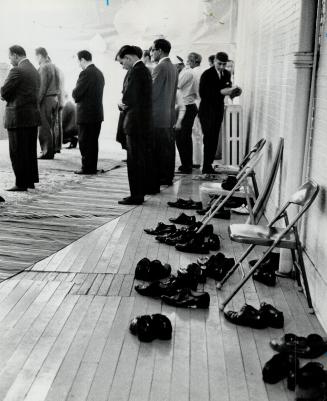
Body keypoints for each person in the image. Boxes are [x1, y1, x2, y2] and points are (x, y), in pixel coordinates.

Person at [116, 45, 152, 205]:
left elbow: (129, 97)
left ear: (129, 58)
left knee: (135, 160)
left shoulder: (137, 71)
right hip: (141, 122)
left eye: (122, 62)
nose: (122, 66)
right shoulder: (142, 70)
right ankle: (138, 193)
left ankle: (136, 195)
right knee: (138, 159)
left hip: (135, 123)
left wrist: (120, 103)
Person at [0, 45, 41, 191]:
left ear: (16, 55)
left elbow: (4, 92)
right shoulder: (34, 70)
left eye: (10, 57)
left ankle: (20, 183)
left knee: (17, 151)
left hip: (18, 117)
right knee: (29, 151)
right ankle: (30, 181)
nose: (10, 60)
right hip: (32, 117)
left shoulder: (16, 70)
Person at [150, 38, 178, 187]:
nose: (151, 52)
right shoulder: (173, 67)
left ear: (159, 51)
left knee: (158, 149)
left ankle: (161, 177)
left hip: (157, 115)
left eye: (153, 49)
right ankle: (167, 176)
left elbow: (153, 93)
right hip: (168, 114)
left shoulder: (160, 67)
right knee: (167, 148)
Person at [199, 51, 232, 174]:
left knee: (214, 139)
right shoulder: (207, 74)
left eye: (224, 64)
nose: (222, 67)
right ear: (214, 61)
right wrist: (220, 92)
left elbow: (228, 87)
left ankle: (209, 164)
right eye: (219, 64)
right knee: (208, 138)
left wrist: (233, 92)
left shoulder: (227, 74)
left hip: (218, 110)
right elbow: (203, 93)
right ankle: (206, 166)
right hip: (206, 111)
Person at [72, 50, 105, 174]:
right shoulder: (99, 73)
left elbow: (77, 93)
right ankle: (91, 167)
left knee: (85, 142)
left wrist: (73, 93)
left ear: (82, 59)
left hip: (86, 114)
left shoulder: (85, 73)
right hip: (97, 114)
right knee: (93, 142)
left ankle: (87, 168)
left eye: (79, 61)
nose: (79, 64)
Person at [35, 47, 62, 159]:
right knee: (51, 126)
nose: (36, 59)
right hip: (55, 99)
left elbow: (42, 87)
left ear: (40, 55)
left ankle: (46, 152)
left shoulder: (44, 67)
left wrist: (37, 102)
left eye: (36, 57)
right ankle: (52, 149)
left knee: (44, 126)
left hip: (46, 99)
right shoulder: (54, 66)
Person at [174, 56, 197, 174]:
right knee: (184, 138)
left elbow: (175, 88)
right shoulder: (187, 72)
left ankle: (186, 166)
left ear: (178, 65)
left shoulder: (186, 73)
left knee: (182, 138)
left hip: (187, 107)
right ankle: (187, 164)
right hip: (188, 106)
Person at [187, 52, 203, 169]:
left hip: (195, 102)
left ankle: (195, 161)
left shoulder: (192, 73)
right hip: (203, 103)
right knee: (198, 133)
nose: (187, 63)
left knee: (195, 132)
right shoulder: (203, 71)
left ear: (192, 62)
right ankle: (197, 159)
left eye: (188, 61)